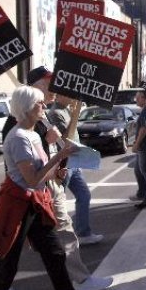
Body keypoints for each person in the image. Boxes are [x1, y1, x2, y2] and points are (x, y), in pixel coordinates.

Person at [0, 67, 113, 290]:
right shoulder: (18, 125)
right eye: (51, 83)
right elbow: (26, 165)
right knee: (50, 237)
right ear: (37, 87)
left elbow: (44, 153)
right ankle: (79, 281)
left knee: (39, 244)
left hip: (41, 188)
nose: (56, 88)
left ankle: (2, 288)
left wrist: (58, 169)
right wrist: (57, 159)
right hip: (32, 190)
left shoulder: (41, 115)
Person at [0, 86, 79, 290]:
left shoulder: (33, 134)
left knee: (55, 254)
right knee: (7, 264)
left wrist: (56, 173)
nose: (44, 105)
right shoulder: (18, 137)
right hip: (19, 206)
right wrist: (59, 155)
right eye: (39, 103)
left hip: (36, 204)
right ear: (26, 108)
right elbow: (31, 179)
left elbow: (40, 172)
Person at [48, 94, 104, 245]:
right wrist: (74, 116)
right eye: (69, 94)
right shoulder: (55, 113)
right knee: (57, 200)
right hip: (64, 162)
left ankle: (83, 233)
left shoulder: (65, 110)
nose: (72, 97)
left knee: (84, 194)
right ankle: (52, 237)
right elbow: (63, 140)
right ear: (60, 95)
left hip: (74, 161)